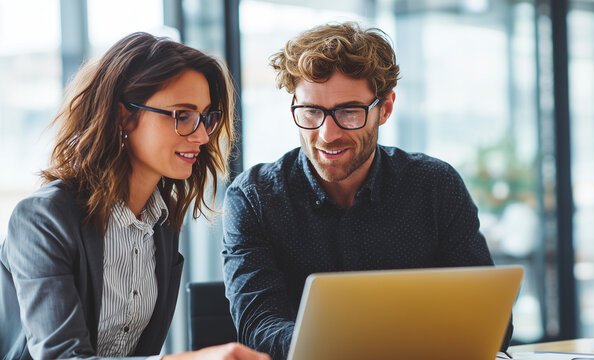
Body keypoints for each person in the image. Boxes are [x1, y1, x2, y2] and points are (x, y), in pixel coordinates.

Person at [221, 22, 513, 360]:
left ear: (385, 108)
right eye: (311, 111)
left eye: (348, 112)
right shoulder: (255, 198)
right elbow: (259, 328)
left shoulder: (434, 185)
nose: (327, 134)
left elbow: (491, 324)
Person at [0, 32, 269, 360]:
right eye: (182, 115)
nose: (200, 135)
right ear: (123, 116)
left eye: (206, 117)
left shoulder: (161, 223)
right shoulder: (42, 219)